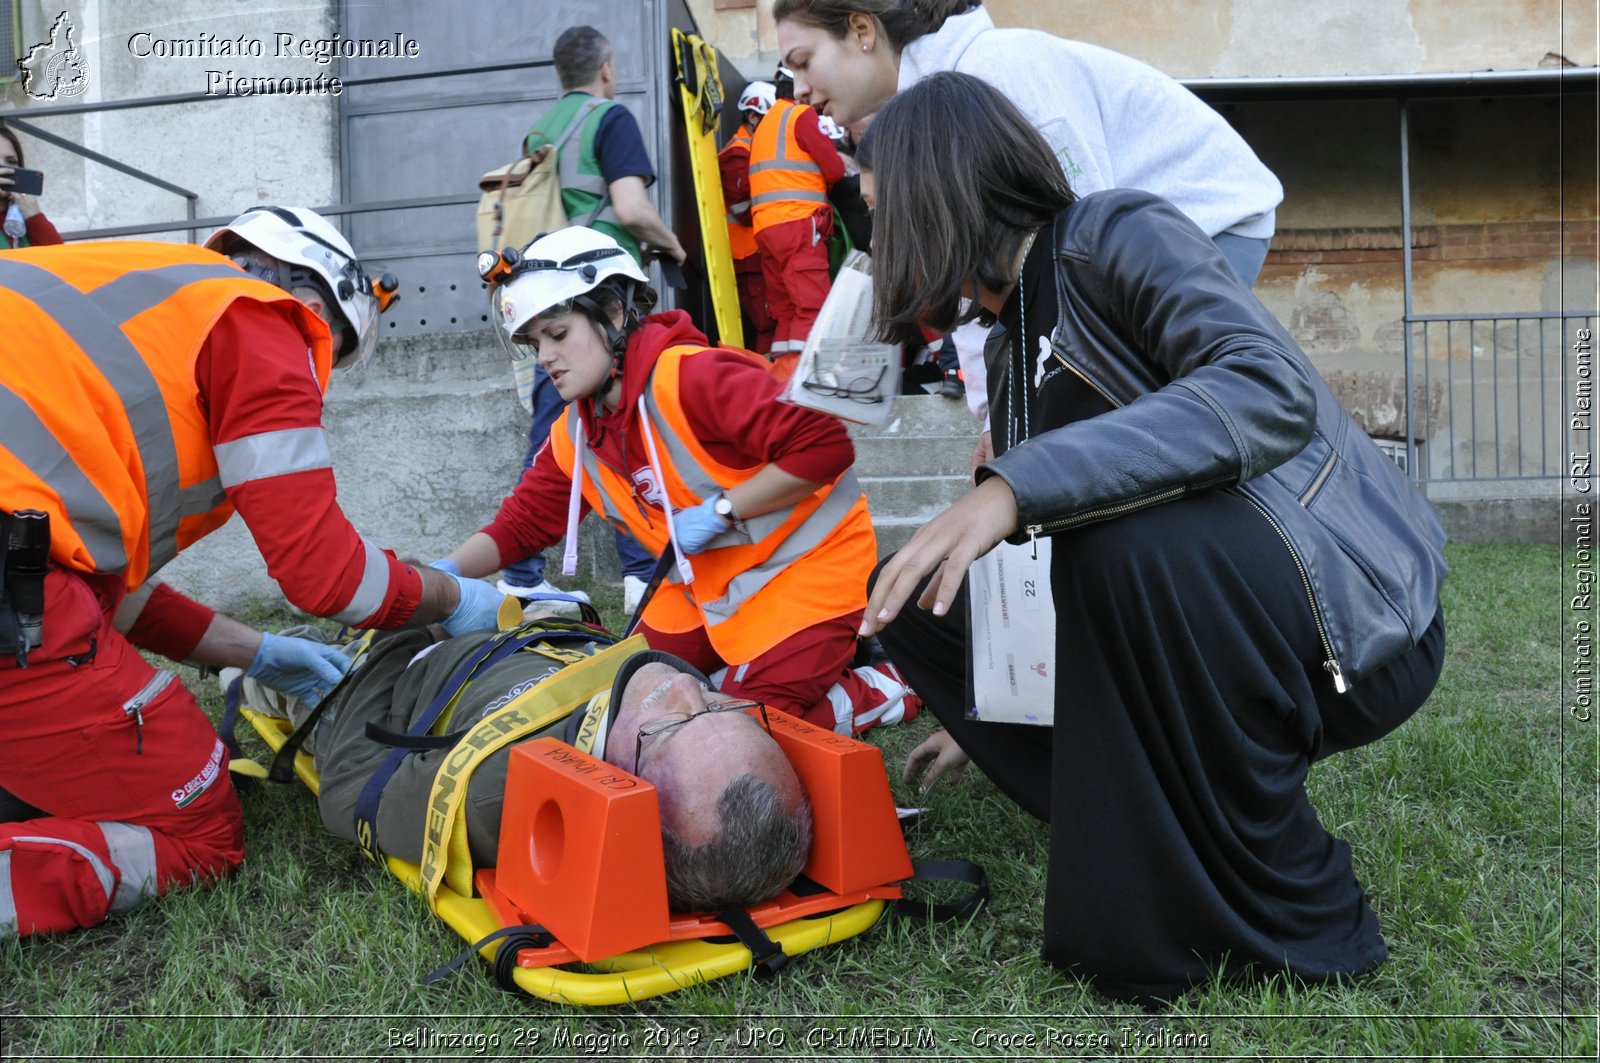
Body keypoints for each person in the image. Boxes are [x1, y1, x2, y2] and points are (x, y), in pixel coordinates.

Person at [856, 73, 1448, 1000]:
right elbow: (1043, 557)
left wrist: (1014, 485)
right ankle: (1127, 811)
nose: (874, 237)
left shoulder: (1114, 232)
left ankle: (1279, 891)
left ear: (939, 187)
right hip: (1188, 594)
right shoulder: (1013, 345)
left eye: (881, 208)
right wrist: (991, 703)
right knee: (914, 593)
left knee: (1120, 542)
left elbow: (1265, 389)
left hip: (1340, 618)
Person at [0, 206, 507, 938]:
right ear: (316, 308)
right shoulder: (262, 320)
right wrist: (453, 596)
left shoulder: (134, 305)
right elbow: (329, 578)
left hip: (22, 572)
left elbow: (104, 596)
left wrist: (260, 652)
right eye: (329, 358)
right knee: (200, 826)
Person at [444, 226, 916, 736]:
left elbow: (827, 446)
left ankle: (889, 684)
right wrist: (443, 578)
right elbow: (523, 526)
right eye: (535, 342)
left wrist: (722, 511)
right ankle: (799, 661)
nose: (545, 357)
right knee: (627, 708)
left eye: (557, 334)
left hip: (804, 574)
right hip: (701, 590)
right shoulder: (577, 430)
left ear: (614, 314)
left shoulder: (694, 376)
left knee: (741, 727)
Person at [774, 0, 1285, 455]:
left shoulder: (998, 70)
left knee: (1131, 427)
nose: (797, 89)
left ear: (861, 29)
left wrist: (1015, 428)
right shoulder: (933, 105)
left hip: (1208, 221)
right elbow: (974, 267)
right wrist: (996, 419)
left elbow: (1087, 227)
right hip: (1128, 248)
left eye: (802, 61)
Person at [300, 632, 811, 912]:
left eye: (671, 726)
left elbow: (348, 795)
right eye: (723, 708)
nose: (685, 687)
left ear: (621, 788)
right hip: (518, 633)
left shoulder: (501, 793)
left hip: (406, 663)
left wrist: (402, 630)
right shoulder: (635, 711)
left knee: (303, 662)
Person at [498, 24, 679, 611]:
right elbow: (629, 205)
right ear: (607, 69)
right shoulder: (611, 118)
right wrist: (673, 245)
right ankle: (532, 576)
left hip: (539, 291)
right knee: (614, 420)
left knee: (579, 424)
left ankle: (617, 572)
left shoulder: (541, 129)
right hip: (590, 290)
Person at [747, 67, 846, 381]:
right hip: (799, 223)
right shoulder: (800, 116)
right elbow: (834, 169)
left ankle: (782, 380)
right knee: (812, 304)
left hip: (767, 229)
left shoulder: (766, 124)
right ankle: (810, 385)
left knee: (786, 310)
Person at [718, 80, 778, 356]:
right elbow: (742, 211)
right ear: (752, 115)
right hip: (748, 256)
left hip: (757, 253)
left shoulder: (753, 148)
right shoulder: (737, 153)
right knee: (766, 325)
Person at [0, 123, 63, 249]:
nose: (3, 167)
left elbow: (59, 258)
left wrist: (35, 218)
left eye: (11, 161)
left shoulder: (23, 212)